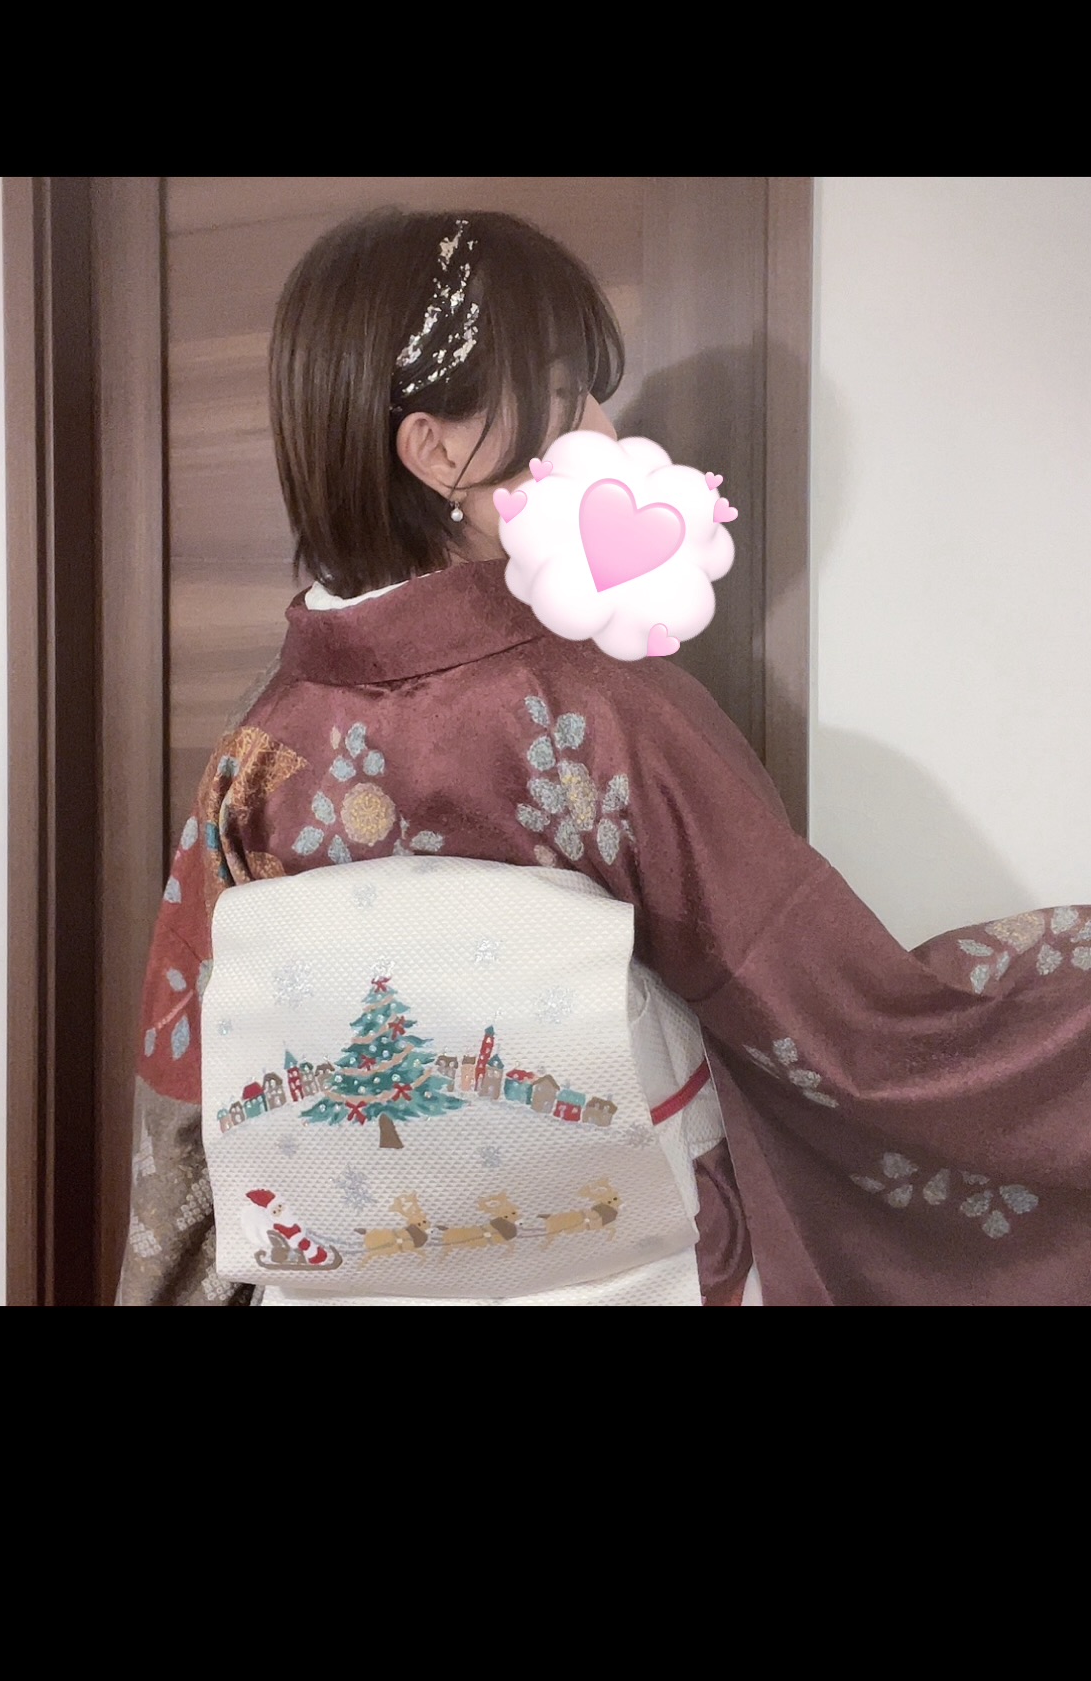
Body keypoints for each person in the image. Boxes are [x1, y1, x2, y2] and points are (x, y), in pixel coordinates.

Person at [119, 208, 1091, 1308]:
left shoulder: (259, 747)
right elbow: (832, 1015)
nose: (601, 424)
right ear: (436, 452)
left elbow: (190, 1076)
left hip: (343, 1274)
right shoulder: (588, 714)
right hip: (618, 1266)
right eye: (564, 391)